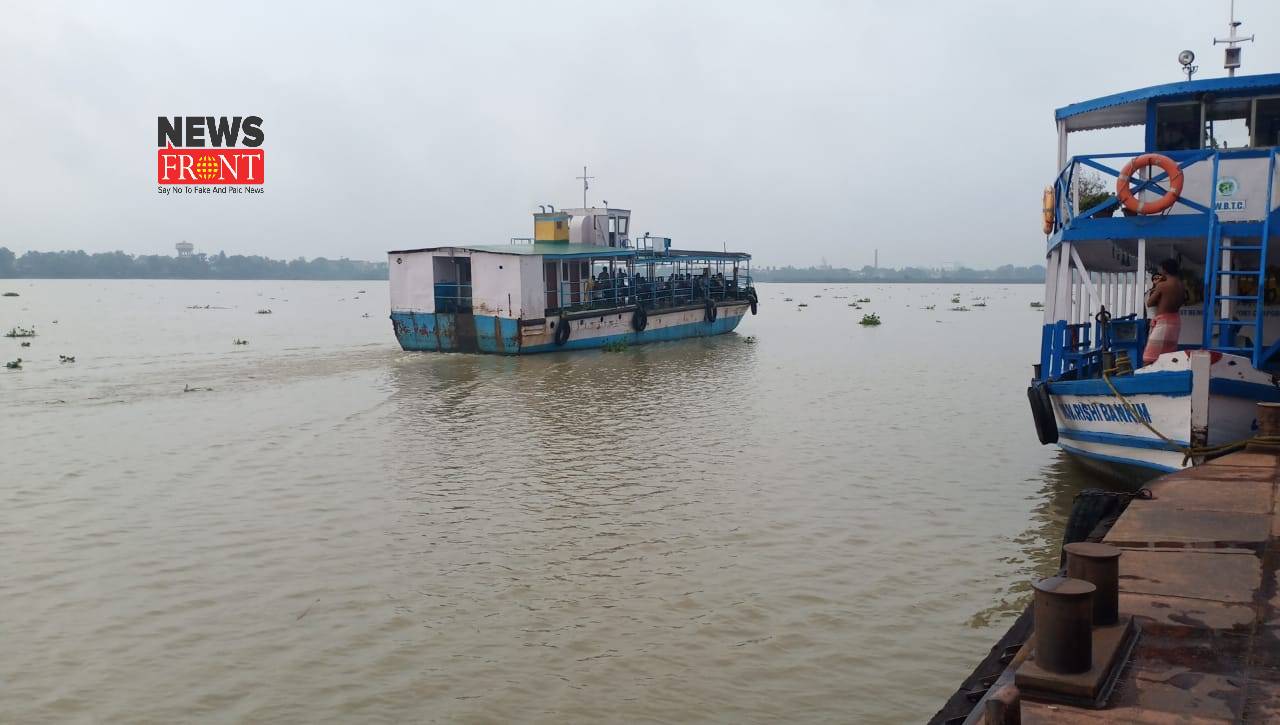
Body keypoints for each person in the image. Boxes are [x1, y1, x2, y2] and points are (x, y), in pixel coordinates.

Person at [1143, 258, 1186, 364]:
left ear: (1165, 270)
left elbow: (1150, 303)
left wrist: (1157, 286)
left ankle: (1146, 379)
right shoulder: (1181, 285)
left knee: (1149, 358)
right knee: (1168, 357)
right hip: (1175, 321)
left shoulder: (1163, 285)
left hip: (1163, 322)